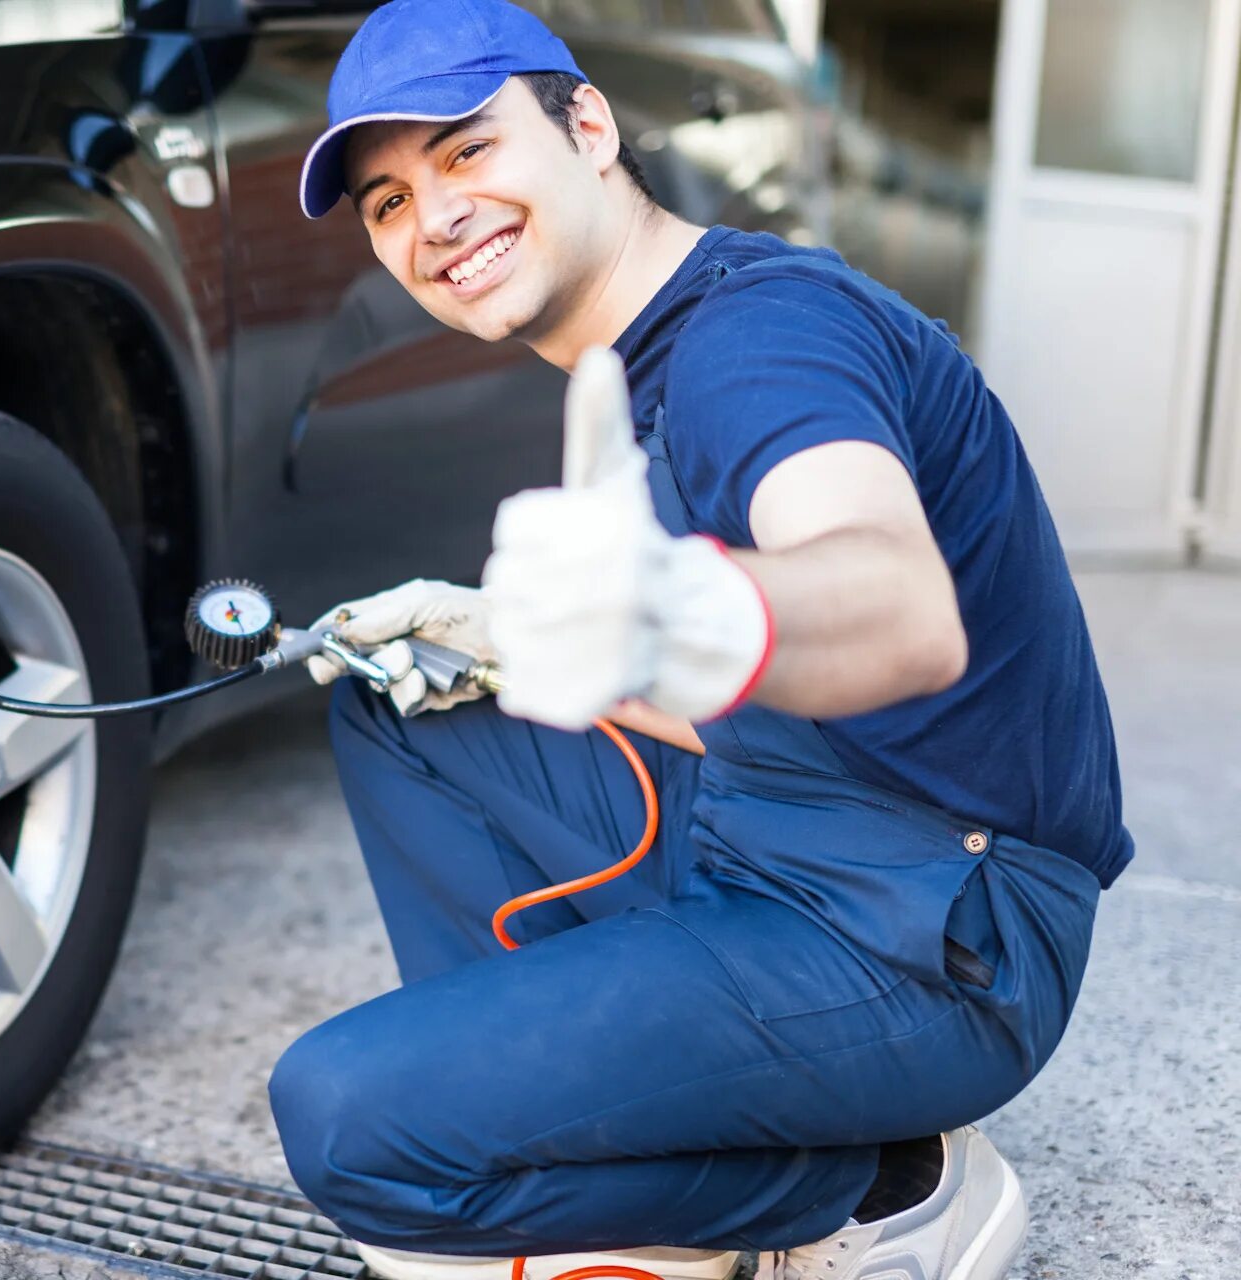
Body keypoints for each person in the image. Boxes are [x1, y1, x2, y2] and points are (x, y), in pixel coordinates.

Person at [263, 3, 1131, 1279]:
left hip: (938, 929)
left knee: (350, 1124)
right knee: (406, 708)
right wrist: (495, 638)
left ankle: (872, 1185)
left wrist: (686, 609)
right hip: (796, 820)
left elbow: (895, 602)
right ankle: (626, 1146)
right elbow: (793, 712)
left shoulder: (756, 339)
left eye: (465, 151)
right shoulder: (645, 351)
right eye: (386, 202)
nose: (433, 219)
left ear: (591, 127)